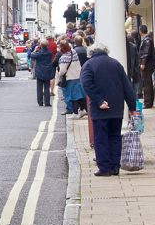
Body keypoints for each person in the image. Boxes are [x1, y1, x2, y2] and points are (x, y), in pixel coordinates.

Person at [80, 41, 137, 176]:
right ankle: (115, 167)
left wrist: (99, 101)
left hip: (100, 109)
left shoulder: (88, 65)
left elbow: (86, 84)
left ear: (91, 53)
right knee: (115, 137)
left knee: (101, 138)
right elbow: (127, 86)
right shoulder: (116, 63)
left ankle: (104, 168)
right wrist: (132, 107)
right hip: (117, 107)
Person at [59, 41, 86, 117]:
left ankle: (75, 112)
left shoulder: (64, 57)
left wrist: (60, 75)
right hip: (78, 76)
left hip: (70, 78)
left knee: (72, 96)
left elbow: (62, 71)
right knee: (79, 95)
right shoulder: (73, 52)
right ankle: (82, 110)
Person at [30, 39, 56, 106]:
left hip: (39, 72)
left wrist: (35, 50)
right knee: (47, 88)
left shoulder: (39, 53)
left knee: (39, 88)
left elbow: (32, 55)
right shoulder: (49, 53)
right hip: (47, 71)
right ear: (47, 45)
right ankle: (47, 102)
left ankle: (40, 102)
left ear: (40, 45)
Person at [139, 24, 155, 108]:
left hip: (147, 65)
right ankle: (149, 102)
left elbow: (145, 53)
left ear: (141, 31)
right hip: (149, 64)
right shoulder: (147, 39)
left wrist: (143, 63)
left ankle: (147, 103)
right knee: (148, 83)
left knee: (146, 84)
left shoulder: (146, 40)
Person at [126, 31, 142, 99]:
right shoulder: (133, 46)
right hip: (133, 73)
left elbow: (136, 61)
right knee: (134, 93)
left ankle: (136, 108)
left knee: (133, 93)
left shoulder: (132, 47)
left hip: (132, 74)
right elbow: (137, 61)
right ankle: (137, 108)